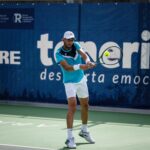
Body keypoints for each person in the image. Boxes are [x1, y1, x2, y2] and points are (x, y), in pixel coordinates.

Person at [55, 31, 96, 149]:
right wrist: (80, 66)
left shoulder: (76, 45)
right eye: (68, 39)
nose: (70, 41)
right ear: (63, 39)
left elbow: (84, 55)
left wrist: (88, 61)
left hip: (81, 80)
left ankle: (84, 130)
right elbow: (67, 68)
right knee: (72, 107)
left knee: (85, 105)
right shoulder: (58, 53)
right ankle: (69, 138)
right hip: (69, 83)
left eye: (72, 39)